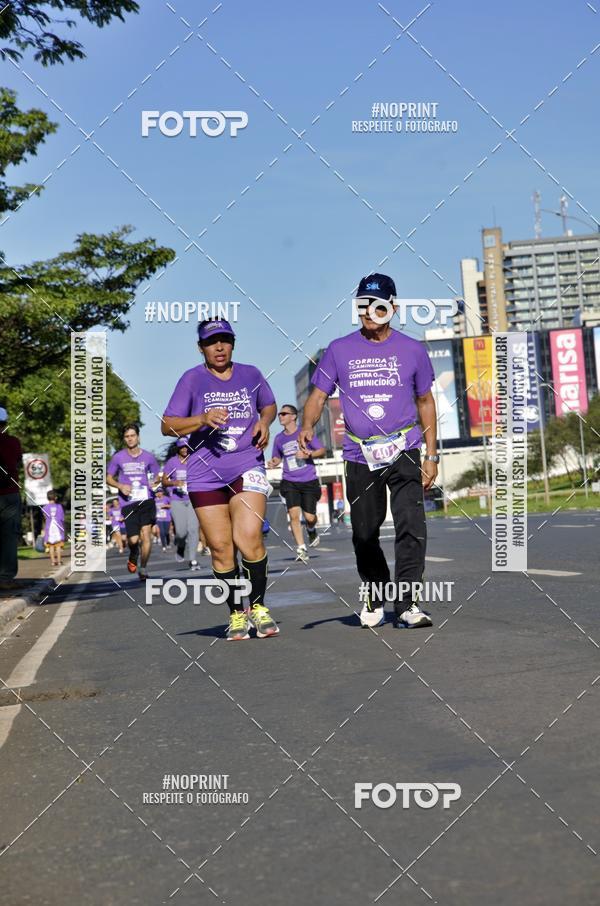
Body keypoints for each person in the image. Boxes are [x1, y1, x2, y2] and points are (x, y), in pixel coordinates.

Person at [299, 273, 439, 630]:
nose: (368, 311)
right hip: (360, 454)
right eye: (362, 305)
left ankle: (407, 603)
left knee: (411, 525)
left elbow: (425, 401)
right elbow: (317, 396)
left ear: (391, 307)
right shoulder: (339, 349)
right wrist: (307, 426)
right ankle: (375, 594)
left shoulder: (413, 350)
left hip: (405, 448)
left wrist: (431, 454)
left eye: (376, 304)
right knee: (363, 531)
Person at [162, 318, 279, 641]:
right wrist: (201, 418)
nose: (219, 347)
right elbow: (167, 425)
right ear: (201, 347)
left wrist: (266, 423)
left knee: (248, 537)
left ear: (233, 343)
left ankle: (259, 607)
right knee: (220, 547)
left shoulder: (250, 374)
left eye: (225, 340)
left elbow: (268, 405)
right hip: (204, 474)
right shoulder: (192, 380)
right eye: (212, 342)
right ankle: (236, 614)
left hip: (247, 465)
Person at [267, 404, 325, 563]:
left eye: (284, 414)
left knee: (309, 517)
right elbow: (277, 457)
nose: (280, 416)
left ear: (293, 416)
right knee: (293, 515)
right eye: (279, 414)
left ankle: (311, 529)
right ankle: (301, 548)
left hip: (308, 480)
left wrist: (309, 454)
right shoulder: (279, 438)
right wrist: (274, 462)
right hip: (289, 481)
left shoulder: (304, 433)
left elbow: (321, 450)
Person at [106, 424, 160, 581]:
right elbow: (108, 477)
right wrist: (120, 486)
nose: (130, 439)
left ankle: (143, 568)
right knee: (133, 540)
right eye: (127, 436)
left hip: (146, 500)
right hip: (128, 503)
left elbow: (157, 476)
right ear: (124, 439)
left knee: (146, 536)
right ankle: (133, 553)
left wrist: (154, 482)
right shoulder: (118, 457)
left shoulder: (149, 457)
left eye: (132, 435)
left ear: (138, 437)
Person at [162, 437, 201, 569]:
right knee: (181, 532)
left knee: (193, 529)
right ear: (178, 448)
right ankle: (181, 546)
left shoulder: (195, 460)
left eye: (186, 446)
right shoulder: (172, 462)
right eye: (182, 447)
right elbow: (164, 481)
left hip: (192, 499)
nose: (185, 449)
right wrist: (175, 483)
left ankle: (193, 560)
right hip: (177, 500)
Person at [0, 407, 23, 589]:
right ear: (5, 424)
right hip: (9, 494)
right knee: (9, 536)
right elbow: (17, 462)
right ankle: (6, 578)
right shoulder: (13, 442)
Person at [42, 490, 65, 567]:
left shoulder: (44, 508)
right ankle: (59, 561)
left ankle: (53, 562)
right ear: (55, 497)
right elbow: (62, 518)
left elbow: (45, 518)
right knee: (58, 545)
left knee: (51, 545)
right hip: (57, 527)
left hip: (49, 528)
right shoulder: (59, 506)